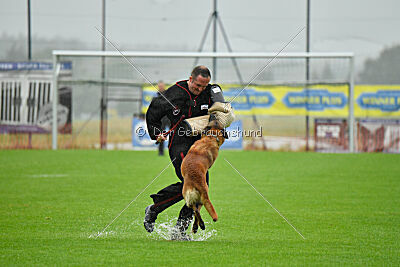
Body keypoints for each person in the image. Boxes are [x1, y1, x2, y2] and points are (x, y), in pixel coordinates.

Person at [144, 66, 225, 239]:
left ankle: (178, 229)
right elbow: (153, 111)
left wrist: (220, 106)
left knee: (202, 188)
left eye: (204, 86)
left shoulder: (210, 91)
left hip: (199, 146)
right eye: (197, 86)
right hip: (179, 144)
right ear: (190, 79)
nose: (200, 90)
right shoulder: (174, 93)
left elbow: (220, 102)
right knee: (195, 184)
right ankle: (156, 209)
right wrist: (156, 132)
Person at [156, 81, 170, 156]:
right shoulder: (156, 97)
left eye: (162, 86)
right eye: (159, 86)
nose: (161, 87)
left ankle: (173, 150)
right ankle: (160, 152)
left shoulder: (168, 95)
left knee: (173, 134)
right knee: (161, 135)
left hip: (168, 117)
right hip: (161, 119)